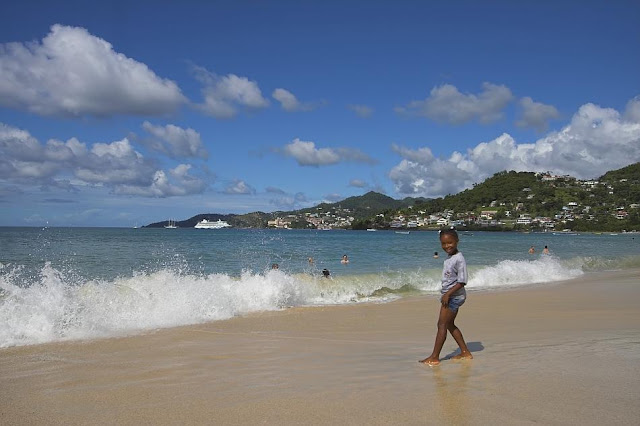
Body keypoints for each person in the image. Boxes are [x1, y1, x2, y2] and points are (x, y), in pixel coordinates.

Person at [420, 228, 472, 366]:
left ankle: (435, 357)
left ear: (457, 241)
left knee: (441, 325)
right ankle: (465, 352)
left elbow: (462, 281)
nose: (447, 246)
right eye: (443, 243)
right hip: (450, 296)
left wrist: (448, 294)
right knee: (449, 324)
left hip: (454, 297)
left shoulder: (459, 259)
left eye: (450, 243)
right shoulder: (451, 258)